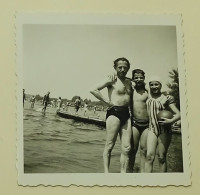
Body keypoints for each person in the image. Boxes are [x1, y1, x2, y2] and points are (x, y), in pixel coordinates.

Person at [90, 57, 132, 173]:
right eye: (120, 67)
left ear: (128, 68)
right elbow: (93, 89)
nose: (122, 69)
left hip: (126, 114)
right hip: (114, 112)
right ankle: (106, 173)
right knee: (109, 145)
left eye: (125, 67)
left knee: (127, 148)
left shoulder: (130, 82)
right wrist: (107, 102)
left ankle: (123, 174)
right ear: (115, 68)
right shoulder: (111, 79)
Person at [145, 76, 180, 172]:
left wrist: (170, 121)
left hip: (164, 130)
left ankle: (162, 181)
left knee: (161, 157)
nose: (154, 86)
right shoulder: (147, 96)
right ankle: (146, 181)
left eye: (156, 84)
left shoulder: (166, 98)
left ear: (160, 85)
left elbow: (178, 114)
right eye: (151, 85)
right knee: (149, 157)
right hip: (152, 129)